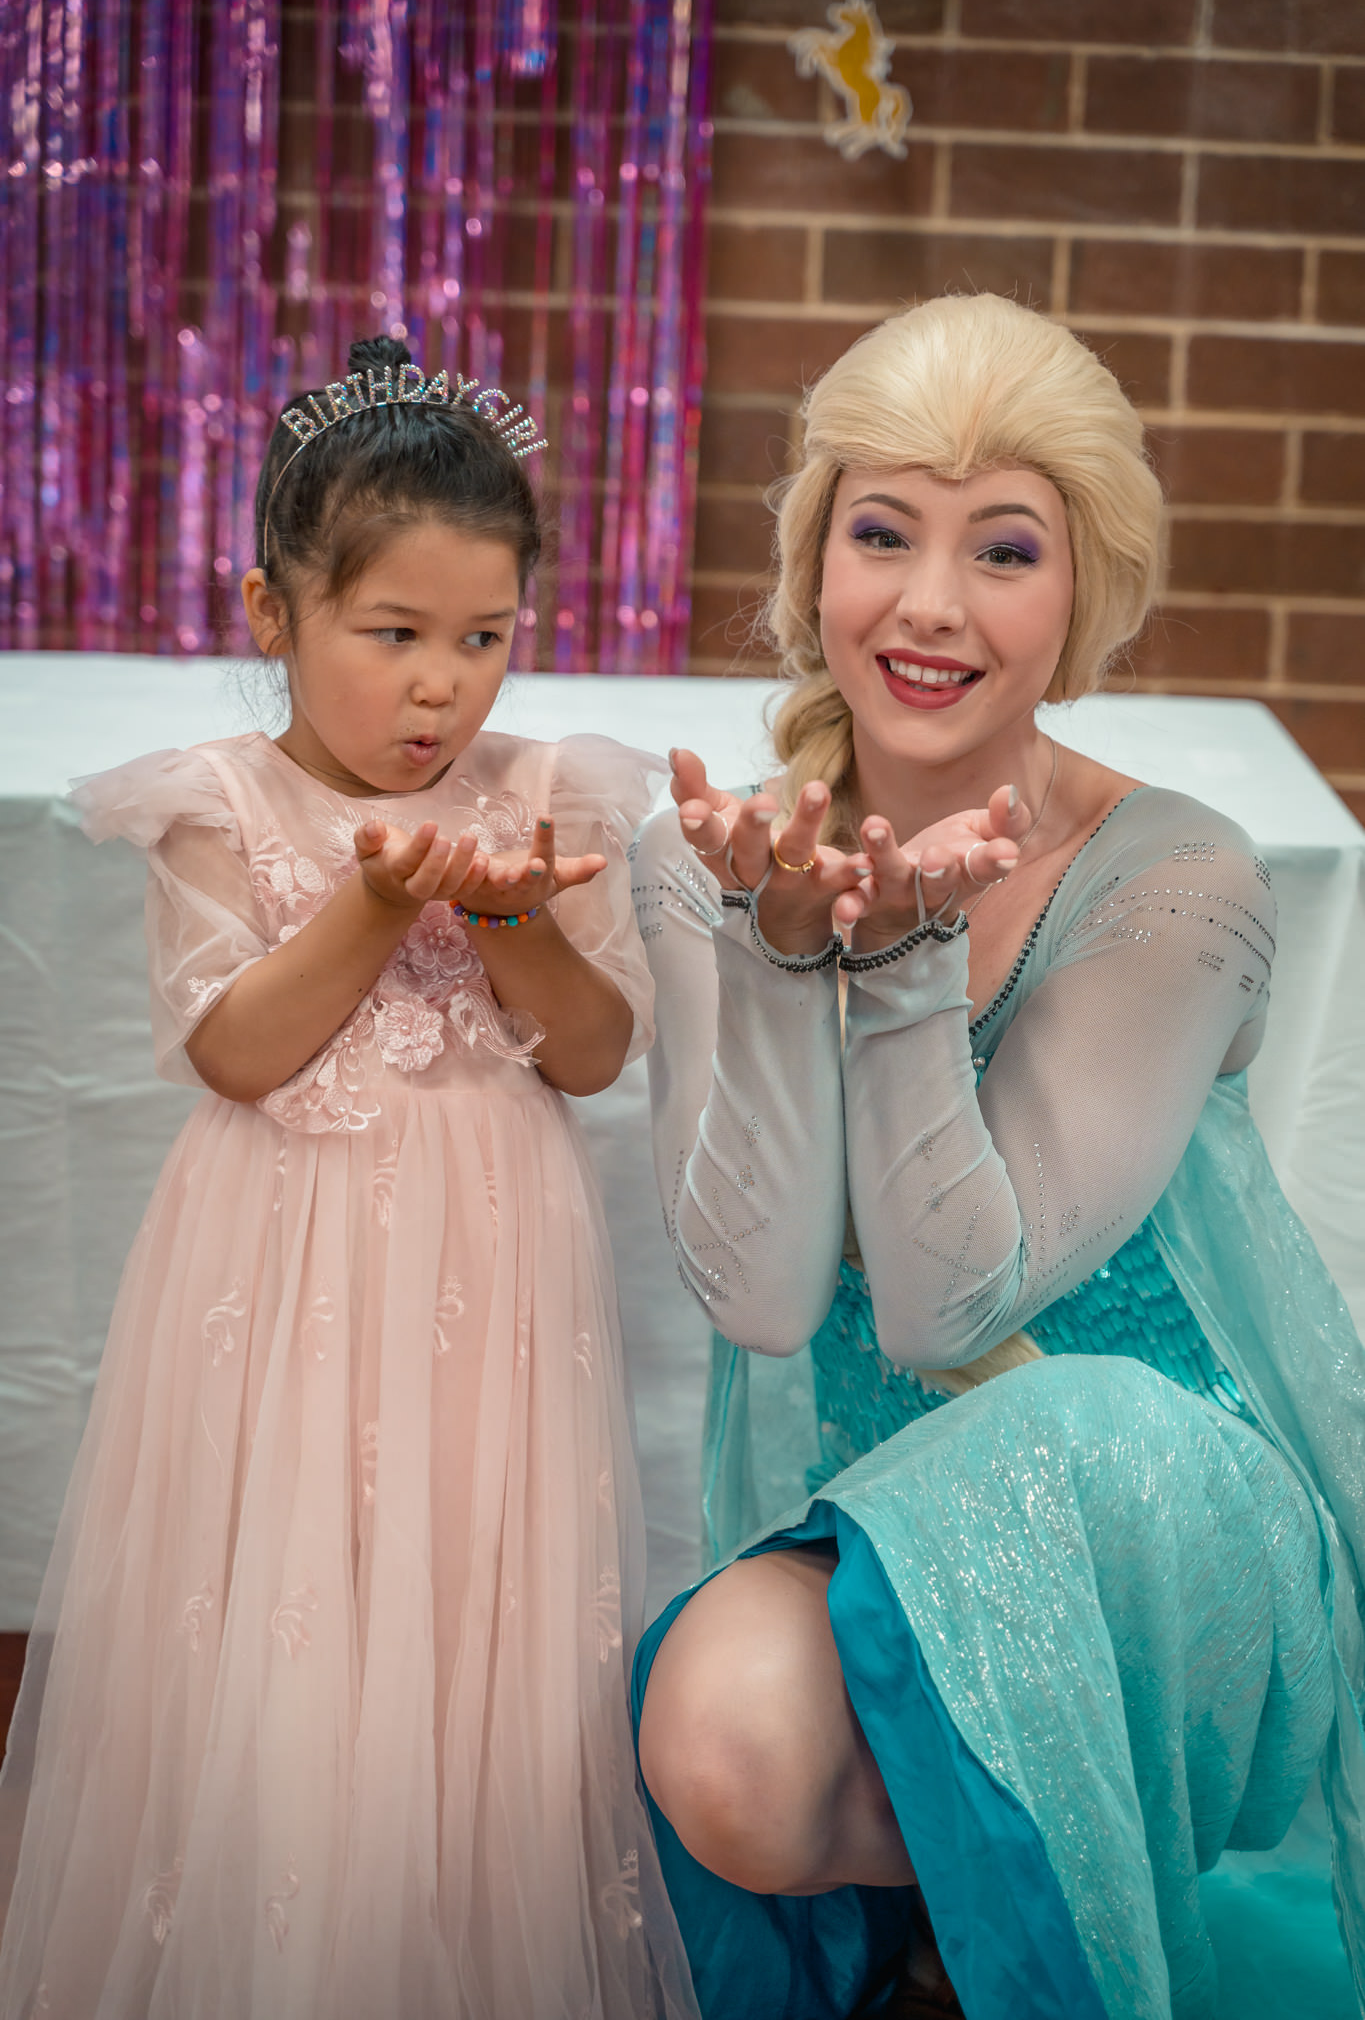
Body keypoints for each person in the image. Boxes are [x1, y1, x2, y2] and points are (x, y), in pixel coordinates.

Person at [628, 293, 1365, 2020]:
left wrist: (898, 967)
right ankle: (971, 1928)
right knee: (723, 1732)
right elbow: (762, 1301)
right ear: (816, 558)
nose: (930, 605)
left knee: (1062, 1421)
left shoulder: (1176, 878)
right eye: (882, 532)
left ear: (1082, 589)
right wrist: (776, 948)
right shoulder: (714, 860)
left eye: (1005, 550)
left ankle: (998, 1945)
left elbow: (947, 1300)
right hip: (880, 1525)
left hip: (1171, 1520)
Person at [0, 338, 696, 2020]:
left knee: (465, 1602)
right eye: (392, 634)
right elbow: (238, 1052)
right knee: (292, 1596)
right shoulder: (216, 806)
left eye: (483, 638)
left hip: (493, 1267)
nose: (440, 689)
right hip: (280, 1267)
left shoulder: (546, 795)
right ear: (273, 611)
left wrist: (510, 918)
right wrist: (375, 905)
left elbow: (594, 1054)